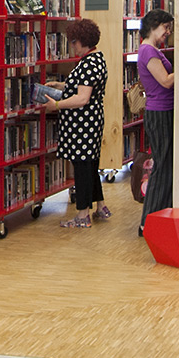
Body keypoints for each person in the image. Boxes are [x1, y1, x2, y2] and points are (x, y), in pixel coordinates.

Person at [42, 18, 108, 228]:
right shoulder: (96, 58)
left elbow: (82, 98)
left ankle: (82, 215)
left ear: (83, 41)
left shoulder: (88, 64)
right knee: (90, 165)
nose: (72, 46)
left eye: (74, 42)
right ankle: (101, 206)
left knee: (82, 167)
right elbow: (82, 86)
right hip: (91, 121)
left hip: (83, 124)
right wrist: (61, 85)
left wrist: (57, 105)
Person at [136, 9, 175, 237]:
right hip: (159, 113)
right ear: (153, 25)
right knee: (161, 165)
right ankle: (148, 221)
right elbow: (165, 81)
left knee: (167, 165)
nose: (168, 32)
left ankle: (161, 216)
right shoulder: (148, 50)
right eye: (165, 27)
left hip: (165, 110)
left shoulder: (153, 50)